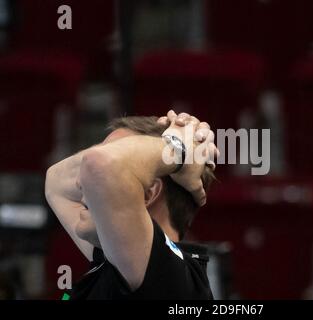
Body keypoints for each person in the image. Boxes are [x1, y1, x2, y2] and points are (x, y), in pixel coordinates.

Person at [45, 110, 219, 299]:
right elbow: (56, 181)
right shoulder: (120, 260)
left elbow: (99, 165)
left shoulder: (170, 276)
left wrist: (177, 149)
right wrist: (185, 148)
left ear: (148, 193)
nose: (80, 182)